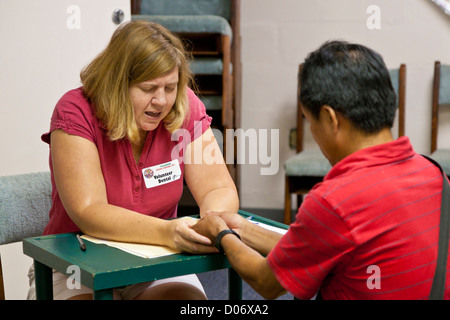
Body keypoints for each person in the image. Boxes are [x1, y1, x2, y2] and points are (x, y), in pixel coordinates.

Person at [192, 40, 450, 300]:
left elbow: (265, 281)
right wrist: (244, 229)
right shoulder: (437, 176)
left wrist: (220, 233)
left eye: (310, 121)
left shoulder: (336, 200)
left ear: (330, 119)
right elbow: (317, 247)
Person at [27, 20, 239, 300]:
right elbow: (90, 211)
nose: (162, 101)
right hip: (75, 265)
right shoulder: (75, 111)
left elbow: (218, 189)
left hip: (156, 259)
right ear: (117, 84)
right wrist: (167, 232)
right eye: (149, 88)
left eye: (170, 87)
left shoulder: (183, 106)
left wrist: (209, 224)